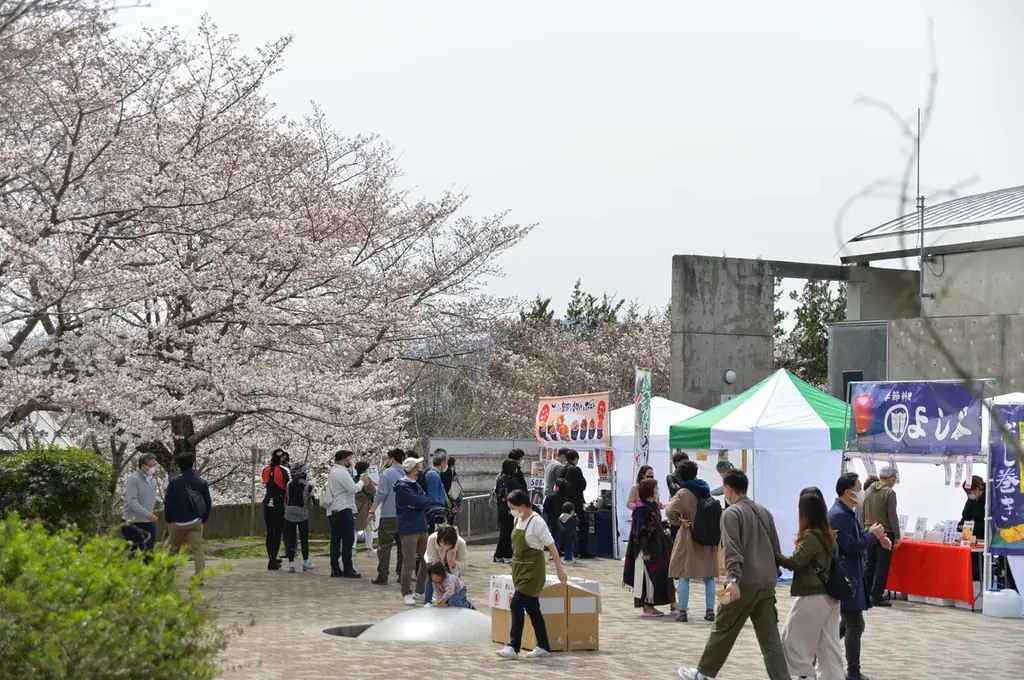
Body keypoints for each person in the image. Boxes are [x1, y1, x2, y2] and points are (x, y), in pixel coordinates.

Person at [677, 469, 789, 680]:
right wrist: (774, 573)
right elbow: (775, 547)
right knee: (770, 639)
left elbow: (732, 549)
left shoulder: (731, 513)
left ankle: (702, 674)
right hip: (766, 583)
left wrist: (733, 579)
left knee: (723, 627)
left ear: (728, 489)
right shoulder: (763, 511)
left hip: (742, 582)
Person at [775, 492, 843, 680]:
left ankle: (805, 675)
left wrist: (773, 554)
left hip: (813, 595)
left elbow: (795, 562)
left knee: (791, 639)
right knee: (828, 645)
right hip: (831, 596)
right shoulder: (829, 534)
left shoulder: (811, 537)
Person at [495, 489, 568, 660]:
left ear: (522, 506)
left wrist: (559, 569)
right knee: (533, 608)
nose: (511, 511)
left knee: (516, 605)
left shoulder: (537, 522)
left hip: (533, 573)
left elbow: (551, 545)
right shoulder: (517, 520)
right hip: (519, 571)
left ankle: (513, 646)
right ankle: (544, 646)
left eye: (513, 508)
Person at [830, 472, 890, 680]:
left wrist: (872, 535)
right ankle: (853, 672)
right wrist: (873, 536)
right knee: (855, 624)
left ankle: (815, 654)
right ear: (848, 492)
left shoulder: (847, 512)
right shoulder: (839, 515)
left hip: (851, 575)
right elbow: (850, 546)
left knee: (848, 623)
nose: (862, 492)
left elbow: (855, 541)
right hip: (845, 577)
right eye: (858, 488)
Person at [665, 460, 719, 623]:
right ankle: (710, 611)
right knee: (708, 576)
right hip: (707, 536)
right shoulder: (705, 489)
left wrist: (678, 521)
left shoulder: (683, 492)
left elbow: (669, 510)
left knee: (684, 574)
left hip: (689, 536)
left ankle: (683, 611)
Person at [623, 479, 676, 618]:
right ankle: (647, 607)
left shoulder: (652, 506)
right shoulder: (642, 508)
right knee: (648, 578)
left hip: (658, 547)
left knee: (662, 576)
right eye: (655, 487)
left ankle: (670, 604)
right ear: (649, 490)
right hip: (647, 549)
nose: (657, 489)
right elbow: (642, 531)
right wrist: (645, 551)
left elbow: (652, 525)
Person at [163, 454, 212, 578]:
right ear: (192, 464)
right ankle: (199, 576)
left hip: (178, 523)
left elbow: (168, 503)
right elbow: (208, 503)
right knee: (197, 549)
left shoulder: (174, 482)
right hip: (195, 522)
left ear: (179, 465)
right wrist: (203, 518)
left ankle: (169, 576)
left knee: (174, 548)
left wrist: (169, 520)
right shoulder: (201, 482)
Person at [395, 456, 433, 606]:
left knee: (426, 561)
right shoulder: (402, 486)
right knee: (409, 563)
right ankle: (406, 592)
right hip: (409, 528)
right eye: (418, 468)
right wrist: (419, 503)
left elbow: (426, 500)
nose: (420, 471)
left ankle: (420, 591)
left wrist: (418, 504)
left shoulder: (416, 485)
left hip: (422, 526)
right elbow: (418, 501)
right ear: (412, 470)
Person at [862, 465, 900, 607]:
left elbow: (863, 512)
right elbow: (892, 516)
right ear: (891, 480)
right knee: (882, 565)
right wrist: (897, 535)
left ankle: (865, 593)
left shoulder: (868, 491)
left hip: (869, 530)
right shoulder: (889, 493)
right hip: (885, 532)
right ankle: (876, 596)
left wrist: (864, 528)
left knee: (869, 563)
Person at [328, 450, 368, 578]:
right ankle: (348, 567)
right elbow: (353, 488)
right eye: (349, 459)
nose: (350, 462)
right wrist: (362, 481)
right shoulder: (342, 472)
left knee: (335, 540)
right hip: (344, 508)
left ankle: (335, 567)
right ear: (345, 460)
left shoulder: (333, 471)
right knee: (348, 539)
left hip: (335, 509)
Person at [369, 448, 405, 585]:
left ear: (392, 459)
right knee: (403, 547)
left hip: (389, 515)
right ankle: (402, 574)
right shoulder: (407, 473)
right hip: (404, 515)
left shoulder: (387, 473)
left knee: (384, 546)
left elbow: (381, 494)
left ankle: (383, 575)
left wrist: (372, 511)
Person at [122, 453, 159, 560]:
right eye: (151, 465)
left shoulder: (152, 480)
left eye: (155, 464)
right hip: (132, 523)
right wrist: (147, 514)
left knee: (149, 556)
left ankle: (149, 571)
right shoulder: (133, 480)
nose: (154, 467)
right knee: (129, 555)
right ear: (143, 466)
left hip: (148, 523)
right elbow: (132, 501)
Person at [423, 524, 469, 606]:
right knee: (432, 577)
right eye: (441, 542)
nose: (444, 545)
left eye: (447, 543)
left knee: (454, 585)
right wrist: (439, 570)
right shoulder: (432, 539)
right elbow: (432, 557)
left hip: (452, 567)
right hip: (436, 564)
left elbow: (464, 564)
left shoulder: (461, 543)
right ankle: (428, 601)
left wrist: (455, 564)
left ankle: (463, 604)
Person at [261, 449, 291, 570]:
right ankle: (273, 559)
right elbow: (289, 487)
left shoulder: (266, 470)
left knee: (270, 532)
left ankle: (271, 558)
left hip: (268, 503)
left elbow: (266, 483)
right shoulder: (284, 470)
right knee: (277, 532)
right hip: (279, 504)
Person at [283, 462, 316, 573]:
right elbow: (312, 502)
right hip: (302, 514)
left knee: (290, 539)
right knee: (304, 539)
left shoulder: (289, 484)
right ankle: (305, 564)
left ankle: (291, 565)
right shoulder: (308, 486)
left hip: (289, 513)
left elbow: (288, 497)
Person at [559, 450, 593, 558]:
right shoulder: (576, 469)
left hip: (564, 502)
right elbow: (583, 485)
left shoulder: (562, 469)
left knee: (565, 526)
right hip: (576, 502)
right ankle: (582, 551)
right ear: (575, 459)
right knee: (583, 525)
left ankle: (564, 549)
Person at [494, 458, 526, 563]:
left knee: (503, 532)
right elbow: (517, 495)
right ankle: (507, 555)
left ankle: (498, 555)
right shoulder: (512, 481)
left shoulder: (500, 478)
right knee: (509, 533)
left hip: (501, 508)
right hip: (511, 509)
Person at [960, 475, 987, 581]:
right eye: (967, 493)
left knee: (980, 565)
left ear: (978, 489)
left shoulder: (989, 498)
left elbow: (988, 521)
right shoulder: (972, 499)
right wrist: (959, 527)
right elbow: (966, 515)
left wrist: (972, 526)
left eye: (970, 492)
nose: (969, 494)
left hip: (984, 537)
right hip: (971, 537)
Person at [425, 450, 449, 536]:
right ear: (443, 463)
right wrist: (438, 513)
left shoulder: (434, 474)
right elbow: (433, 498)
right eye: (446, 463)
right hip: (434, 513)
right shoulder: (433, 475)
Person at [441, 453, 464, 524]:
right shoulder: (452, 474)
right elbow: (458, 489)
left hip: (440, 504)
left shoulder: (438, 472)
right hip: (450, 503)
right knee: (449, 524)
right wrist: (459, 504)